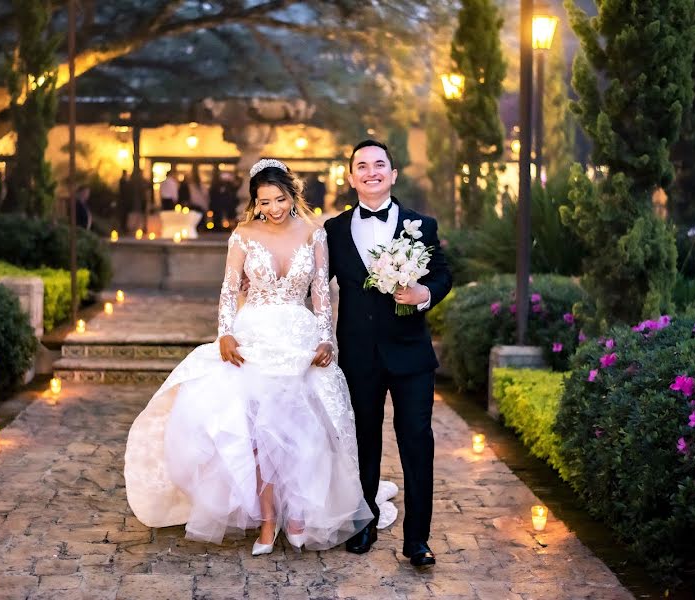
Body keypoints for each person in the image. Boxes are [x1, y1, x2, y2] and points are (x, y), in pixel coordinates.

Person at [125, 159, 374, 554]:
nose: (273, 209)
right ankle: (267, 521)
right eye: (264, 202)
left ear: (292, 196)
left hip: (299, 338)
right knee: (257, 434)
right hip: (253, 335)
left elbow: (323, 295)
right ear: (254, 203)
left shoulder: (315, 234)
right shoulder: (242, 235)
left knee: (299, 430)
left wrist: (327, 340)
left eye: (279, 199)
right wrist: (225, 334)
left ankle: (296, 517)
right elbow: (227, 291)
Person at [323, 140, 453, 568]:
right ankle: (364, 523)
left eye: (380, 165)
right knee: (362, 440)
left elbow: (443, 273)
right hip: (358, 355)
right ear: (351, 177)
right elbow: (314, 283)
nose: (371, 171)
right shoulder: (334, 231)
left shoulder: (422, 225)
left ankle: (417, 539)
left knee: (417, 442)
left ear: (394, 175)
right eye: (362, 165)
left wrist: (424, 293)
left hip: (412, 356)